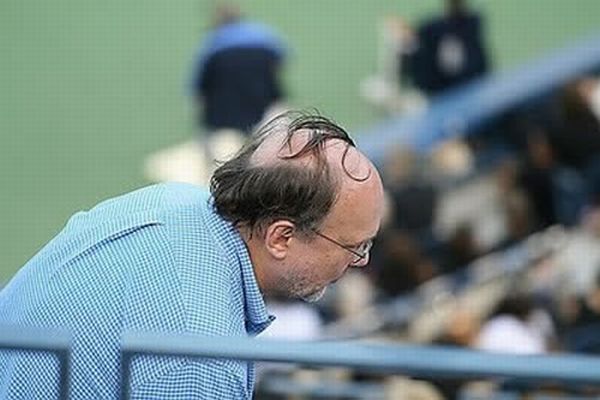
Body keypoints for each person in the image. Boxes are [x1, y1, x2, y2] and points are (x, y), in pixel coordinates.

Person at [0, 111, 385, 398]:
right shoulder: (203, 358)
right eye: (354, 247)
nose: (361, 261)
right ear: (281, 238)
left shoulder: (175, 200)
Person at [189, 3, 287, 165]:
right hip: (261, 102)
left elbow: (197, 85)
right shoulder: (262, 34)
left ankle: (207, 167)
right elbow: (282, 57)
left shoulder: (212, 43)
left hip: (223, 110)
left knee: (207, 136)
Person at [409, 0, 489, 95]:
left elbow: (480, 62)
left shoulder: (471, 24)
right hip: (443, 91)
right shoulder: (430, 31)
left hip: (471, 87)